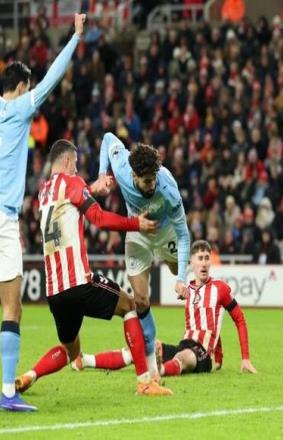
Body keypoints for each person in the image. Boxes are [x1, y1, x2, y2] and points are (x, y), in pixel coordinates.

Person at [0, 13, 86, 412]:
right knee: (12, 307)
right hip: (0, 217)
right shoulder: (20, 109)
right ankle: (8, 393)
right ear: (22, 87)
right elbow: (53, 78)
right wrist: (75, 37)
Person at [14, 139, 172, 397]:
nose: (77, 168)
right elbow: (99, 218)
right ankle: (145, 382)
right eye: (75, 163)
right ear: (67, 160)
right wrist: (136, 224)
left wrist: (92, 188)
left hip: (55, 292)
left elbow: (72, 199)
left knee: (71, 351)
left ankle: (29, 376)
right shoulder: (72, 182)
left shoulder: (45, 191)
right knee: (130, 306)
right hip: (79, 281)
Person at [72, 240, 257, 376]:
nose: (204, 263)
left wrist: (245, 358)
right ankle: (85, 360)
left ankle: (157, 371)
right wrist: (220, 355)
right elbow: (210, 321)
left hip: (201, 354)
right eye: (200, 258)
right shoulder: (187, 289)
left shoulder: (220, 288)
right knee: (143, 348)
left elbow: (239, 319)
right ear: (191, 262)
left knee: (184, 358)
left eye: (207, 258)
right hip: (184, 345)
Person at [92, 132, 190, 380]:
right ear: (134, 176)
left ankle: (203, 330)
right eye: (146, 181)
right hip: (138, 233)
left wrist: (181, 278)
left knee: (183, 276)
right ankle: (152, 363)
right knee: (141, 299)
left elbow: (183, 235)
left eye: (153, 179)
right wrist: (102, 174)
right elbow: (107, 138)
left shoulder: (168, 190)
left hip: (166, 232)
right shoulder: (122, 166)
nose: (151, 185)